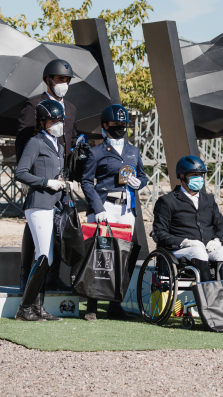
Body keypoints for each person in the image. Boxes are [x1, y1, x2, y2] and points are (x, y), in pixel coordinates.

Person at [16, 59, 79, 293]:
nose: (64, 84)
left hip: (62, 176)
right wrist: (32, 176)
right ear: (48, 80)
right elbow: (23, 140)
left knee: (58, 226)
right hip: (38, 173)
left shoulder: (71, 108)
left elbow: (70, 138)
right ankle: (26, 274)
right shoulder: (33, 104)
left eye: (67, 80)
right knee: (35, 225)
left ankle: (53, 276)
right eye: (60, 79)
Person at [80, 104, 148, 321]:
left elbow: (143, 176)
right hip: (105, 206)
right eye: (116, 125)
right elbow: (86, 181)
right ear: (105, 126)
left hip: (126, 208)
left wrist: (140, 183)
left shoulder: (133, 151)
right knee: (100, 255)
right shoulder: (96, 151)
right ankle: (91, 303)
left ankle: (115, 304)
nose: (120, 128)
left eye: (123, 124)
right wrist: (97, 208)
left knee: (122, 255)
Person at [13, 99, 67, 321]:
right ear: (43, 122)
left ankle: (38, 307)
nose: (58, 124)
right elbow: (20, 172)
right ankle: (25, 308)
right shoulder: (35, 142)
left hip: (52, 205)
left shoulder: (60, 146)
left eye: (60, 120)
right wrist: (46, 182)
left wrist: (64, 183)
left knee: (46, 258)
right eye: (53, 121)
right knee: (44, 256)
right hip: (38, 204)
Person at [151, 155, 223, 285]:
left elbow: (222, 225)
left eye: (201, 175)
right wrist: (186, 242)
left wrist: (218, 240)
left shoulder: (209, 199)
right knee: (198, 251)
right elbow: (160, 232)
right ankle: (207, 294)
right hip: (180, 250)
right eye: (194, 175)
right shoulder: (167, 201)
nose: (199, 178)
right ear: (182, 176)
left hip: (207, 248)